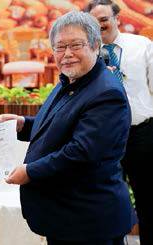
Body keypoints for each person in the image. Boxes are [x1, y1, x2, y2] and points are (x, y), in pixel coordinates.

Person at [0, 11, 135, 245]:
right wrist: (22, 124)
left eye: (75, 45)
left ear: (95, 45)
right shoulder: (71, 81)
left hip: (88, 220)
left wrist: (29, 171)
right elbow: (59, 127)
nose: (67, 54)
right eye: (60, 47)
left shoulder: (106, 93)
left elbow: (81, 153)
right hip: (67, 217)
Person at [86, 1, 153, 244]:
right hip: (103, 138)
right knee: (107, 200)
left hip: (141, 135)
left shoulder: (142, 45)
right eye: (94, 21)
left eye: (104, 19)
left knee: (147, 198)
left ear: (117, 19)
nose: (100, 25)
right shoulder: (87, 51)